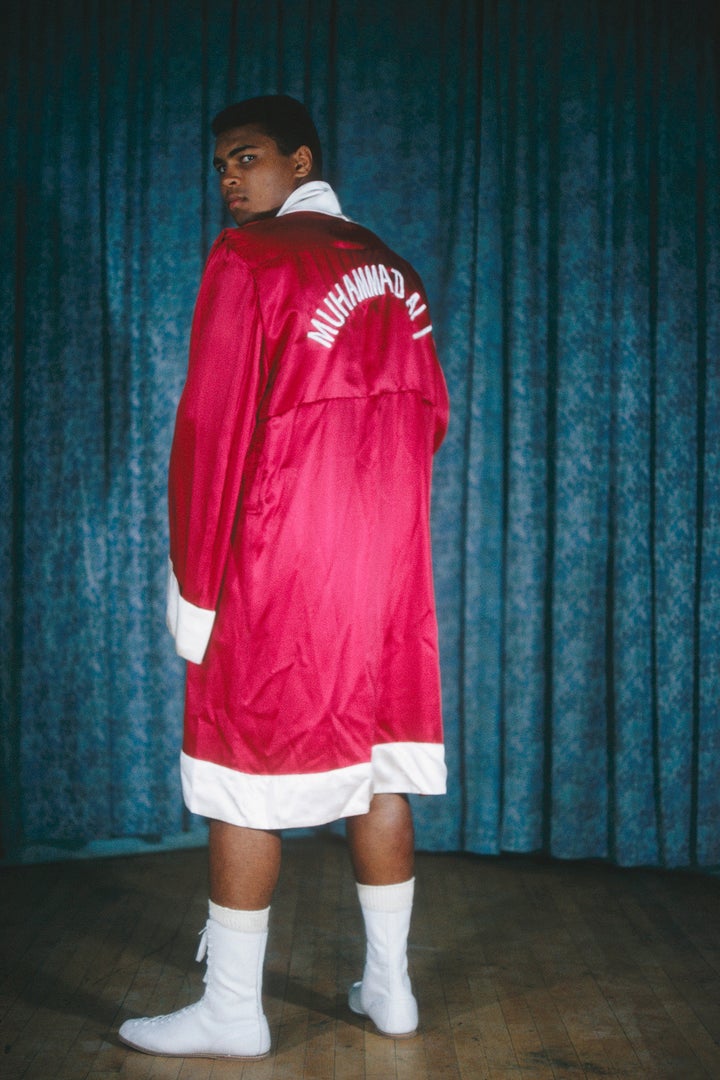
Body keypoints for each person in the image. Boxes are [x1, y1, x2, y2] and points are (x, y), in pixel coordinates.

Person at [119, 94, 449, 1060]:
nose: (228, 178)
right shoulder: (398, 270)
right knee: (378, 766)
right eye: (220, 163)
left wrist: (196, 584)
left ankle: (232, 1010)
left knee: (240, 782)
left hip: (280, 564)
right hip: (384, 568)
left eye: (247, 158)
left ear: (300, 159)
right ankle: (390, 992)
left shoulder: (251, 259)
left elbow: (212, 431)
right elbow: (430, 418)